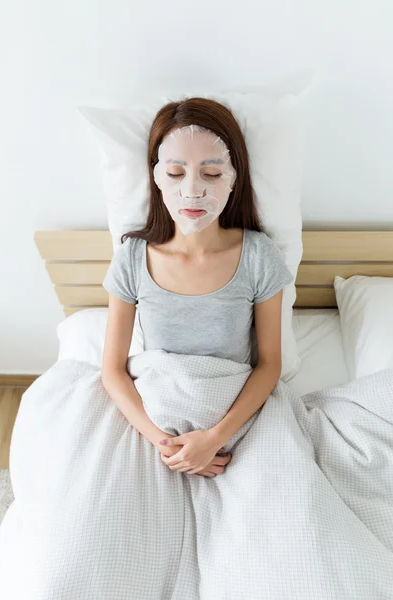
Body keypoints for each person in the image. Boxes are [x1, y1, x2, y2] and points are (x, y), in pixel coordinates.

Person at [101, 97, 293, 479]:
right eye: (175, 173)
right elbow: (112, 370)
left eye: (211, 174)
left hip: (231, 419)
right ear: (156, 177)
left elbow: (270, 364)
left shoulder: (258, 255)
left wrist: (213, 439)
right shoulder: (132, 258)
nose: (192, 191)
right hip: (157, 421)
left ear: (234, 177)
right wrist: (165, 444)